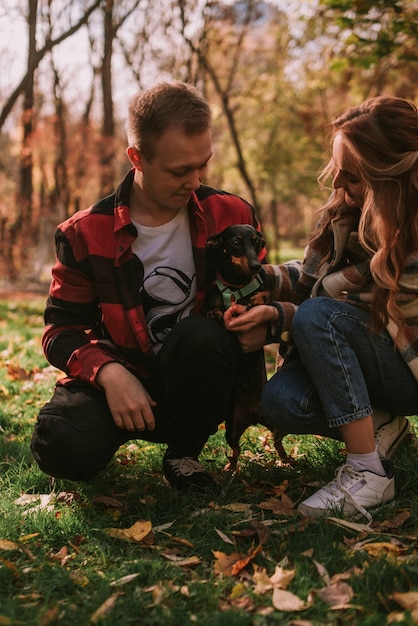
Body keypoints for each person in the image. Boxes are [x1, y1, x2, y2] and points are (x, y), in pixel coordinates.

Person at [30, 81, 265, 493]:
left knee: (200, 335)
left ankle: (184, 452)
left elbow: (264, 293)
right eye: (179, 170)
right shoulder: (86, 233)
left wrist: (259, 319)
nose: (195, 180)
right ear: (136, 158)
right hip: (123, 384)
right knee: (62, 445)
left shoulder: (231, 215)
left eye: (203, 165)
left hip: (200, 379)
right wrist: (108, 372)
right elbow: (59, 332)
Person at [224, 96, 418, 521]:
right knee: (281, 402)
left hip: (410, 366)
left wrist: (281, 319)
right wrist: (258, 284)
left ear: (391, 173)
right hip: (374, 357)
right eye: (338, 174)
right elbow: (315, 280)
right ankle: (384, 425)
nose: (339, 188)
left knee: (317, 317)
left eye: (352, 178)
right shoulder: (347, 213)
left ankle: (367, 472)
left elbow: (342, 310)